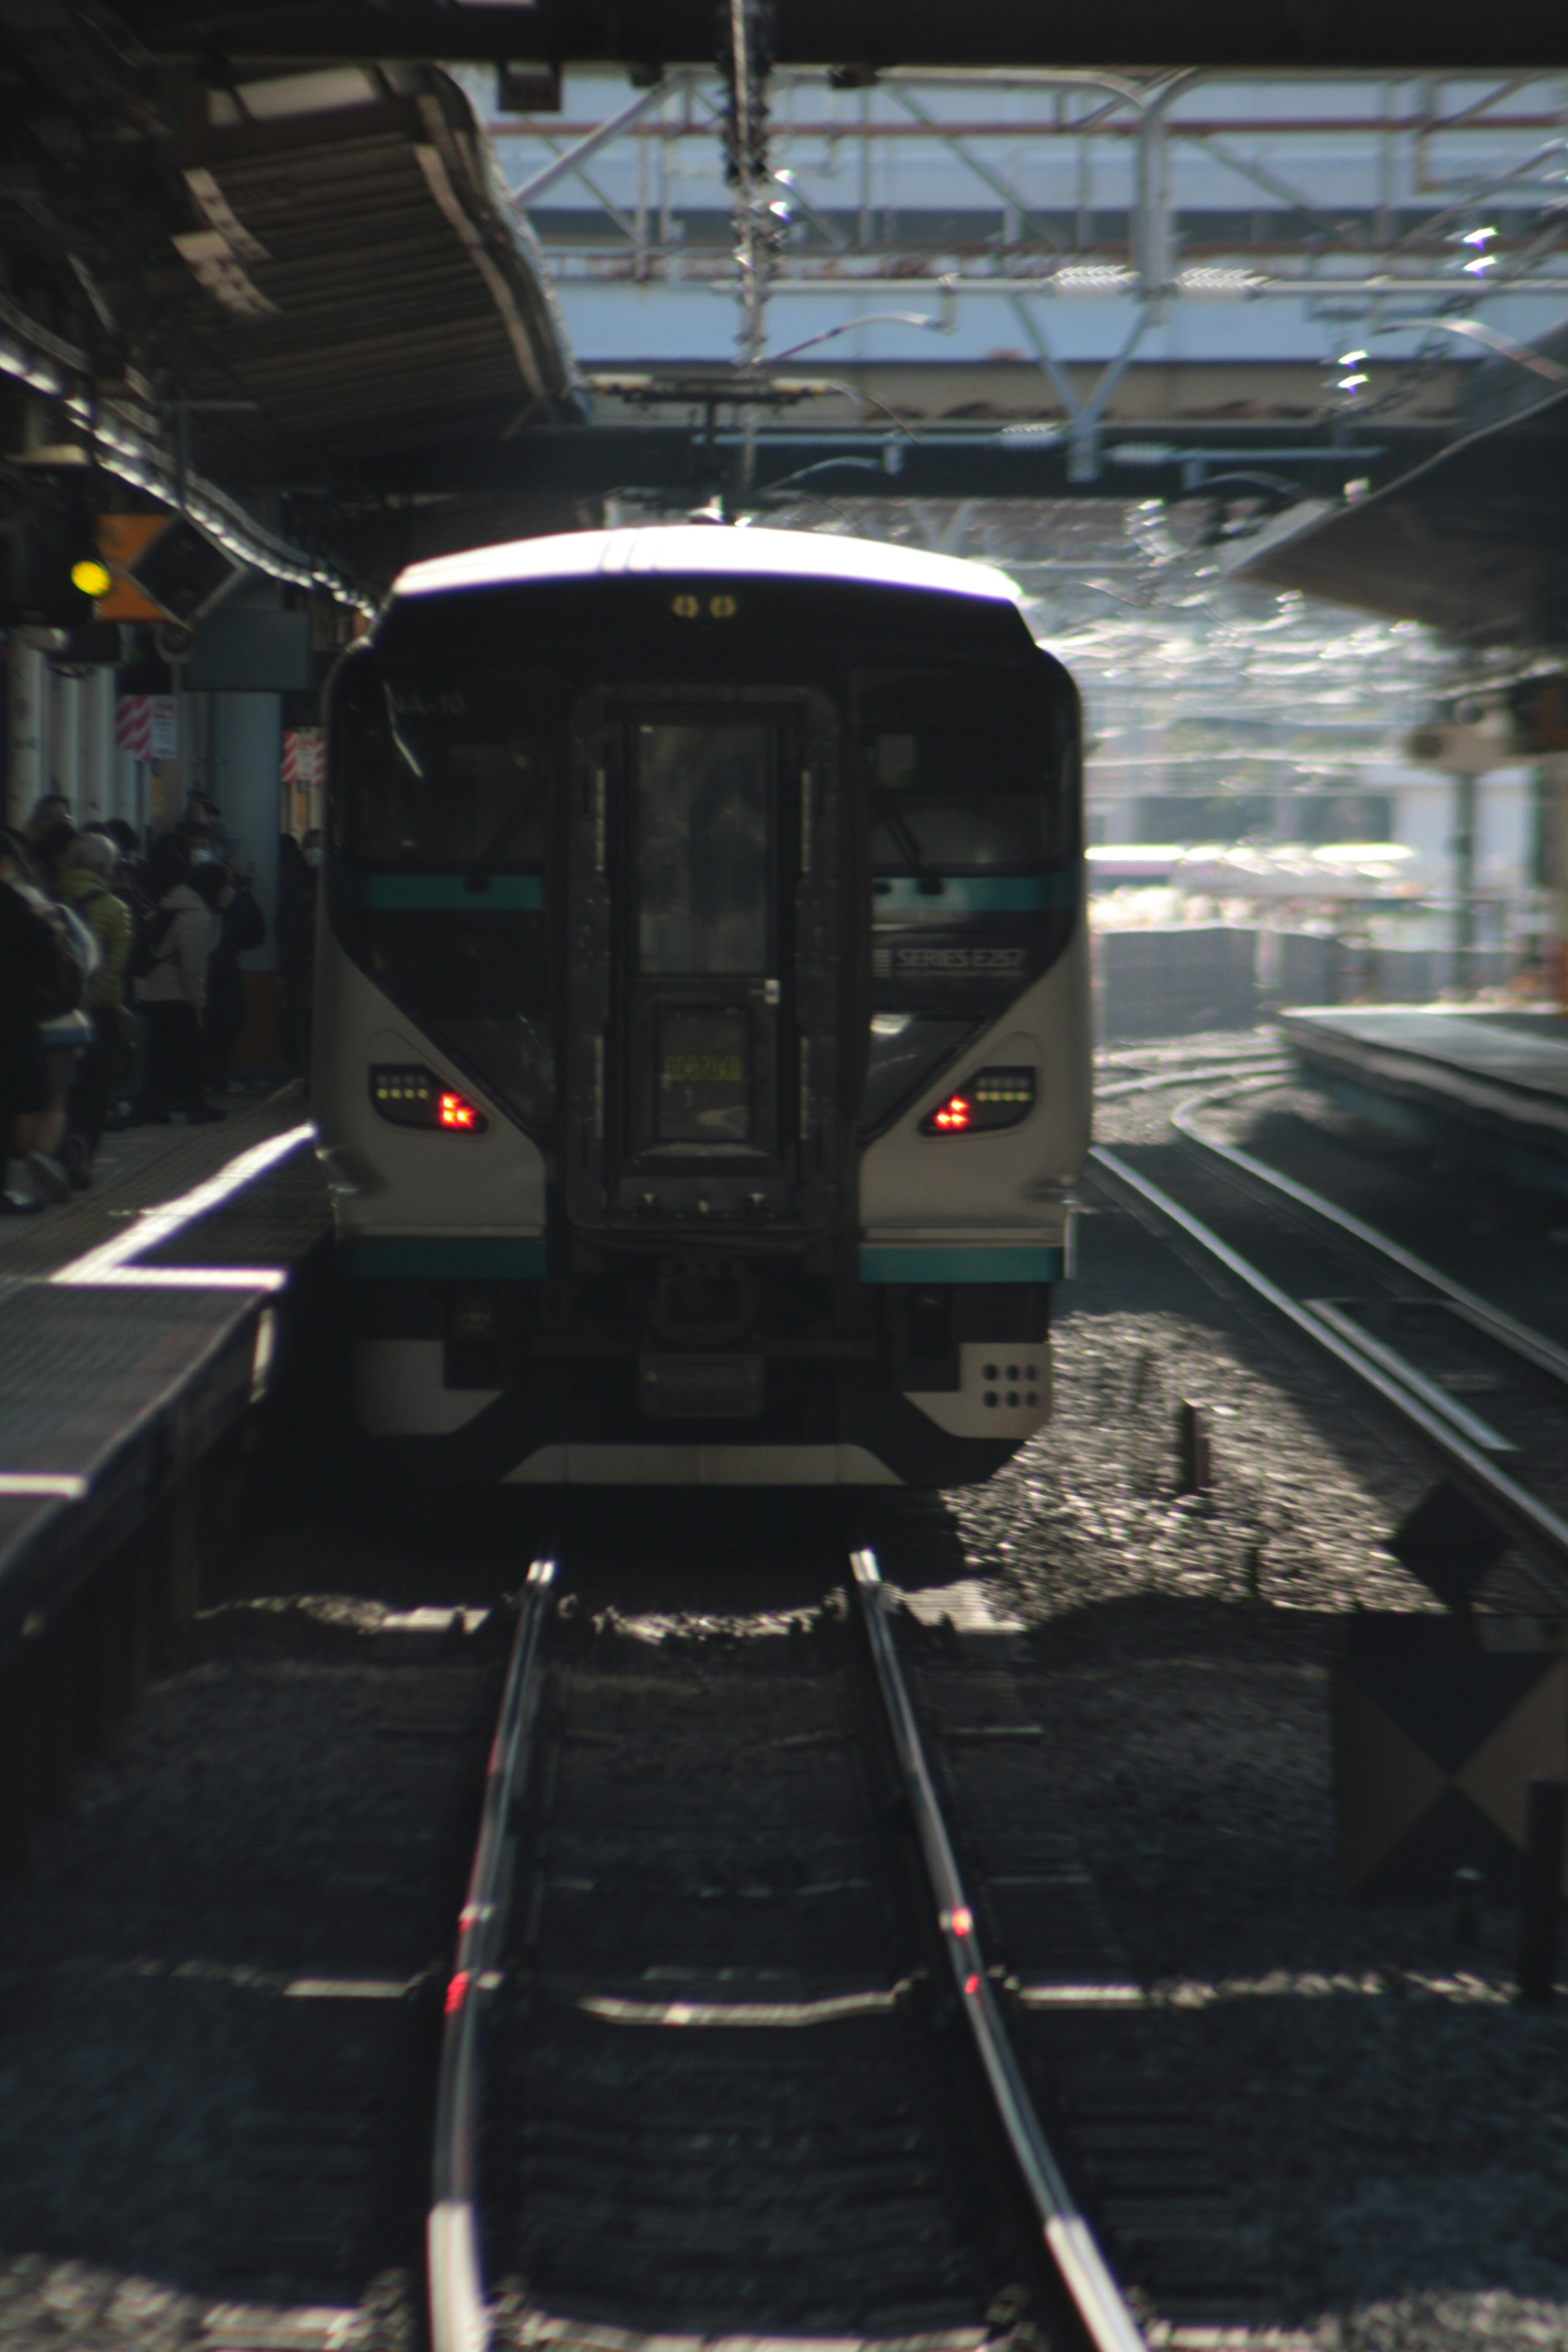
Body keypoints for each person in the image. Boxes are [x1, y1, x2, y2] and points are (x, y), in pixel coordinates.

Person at [135, 834, 223, 1123]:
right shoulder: (197, 915)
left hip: (149, 989)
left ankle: (153, 1107)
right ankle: (193, 1106)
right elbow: (192, 966)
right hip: (175, 994)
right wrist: (198, 1005)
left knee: (159, 1056)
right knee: (189, 1055)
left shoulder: (169, 903)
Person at [60, 831, 133, 1183]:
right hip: (99, 1015)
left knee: (60, 1087)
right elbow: (115, 969)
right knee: (95, 1087)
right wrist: (90, 1002)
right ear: (108, 871)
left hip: (54, 1012)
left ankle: (57, 1151)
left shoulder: (49, 898)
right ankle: (83, 1146)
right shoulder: (116, 910)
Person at [192, 858, 265, 1093]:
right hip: (216, 978)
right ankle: (212, 1078)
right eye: (226, 885)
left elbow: (253, 935)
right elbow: (250, 933)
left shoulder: (215, 910)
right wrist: (240, 897)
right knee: (221, 1025)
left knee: (224, 1025)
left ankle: (212, 1077)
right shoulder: (206, 915)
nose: (228, 890)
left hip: (219, 976)